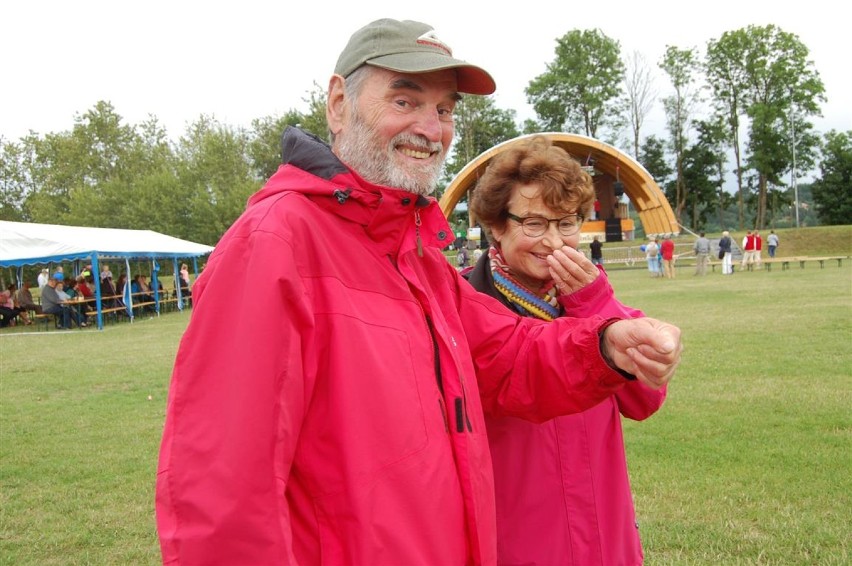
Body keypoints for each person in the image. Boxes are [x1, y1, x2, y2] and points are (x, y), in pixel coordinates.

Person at [155, 19, 682, 565]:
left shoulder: (417, 261)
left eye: (444, 110)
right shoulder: (274, 244)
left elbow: (507, 357)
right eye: (405, 101)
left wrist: (604, 345)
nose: (431, 128)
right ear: (338, 103)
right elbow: (221, 493)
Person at [465, 136, 667, 565]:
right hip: (515, 538)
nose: (554, 242)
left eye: (567, 223)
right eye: (535, 224)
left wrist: (593, 305)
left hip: (602, 533)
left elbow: (645, 399)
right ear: (497, 225)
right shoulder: (463, 302)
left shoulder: (591, 298)